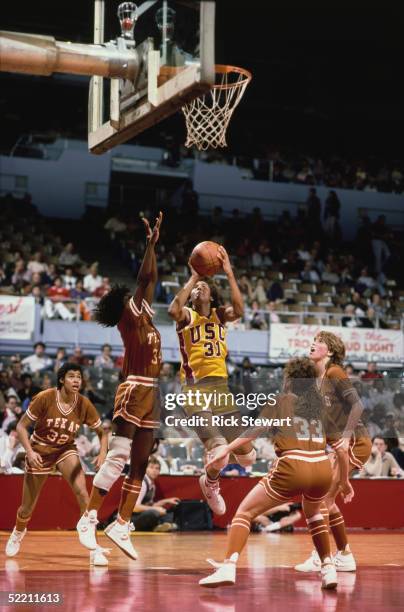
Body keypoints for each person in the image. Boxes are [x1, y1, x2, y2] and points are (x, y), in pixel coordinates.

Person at [199, 357, 352, 590]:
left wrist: (227, 450)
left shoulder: (280, 400)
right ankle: (328, 568)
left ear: (288, 380)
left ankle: (228, 566)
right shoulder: (320, 405)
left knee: (244, 512)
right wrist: (344, 481)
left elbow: (254, 430)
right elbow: (341, 449)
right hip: (322, 468)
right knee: (314, 514)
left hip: (293, 465)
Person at [76, 212, 163, 561]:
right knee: (118, 457)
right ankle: (89, 517)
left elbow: (150, 279)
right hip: (134, 388)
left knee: (140, 464)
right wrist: (150, 244)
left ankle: (121, 523)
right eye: (135, 294)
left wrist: (154, 247)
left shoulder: (144, 314)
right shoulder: (130, 317)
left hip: (153, 392)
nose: (143, 293)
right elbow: (146, 277)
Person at [168, 246, 256, 517]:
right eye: (196, 289)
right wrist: (194, 277)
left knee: (248, 456)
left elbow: (240, 309)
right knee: (221, 452)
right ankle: (210, 483)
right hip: (194, 390)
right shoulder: (187, 317)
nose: (199, 289)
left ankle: (209, 476)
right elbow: (173, 309)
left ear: (212, 294)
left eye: (204, 286)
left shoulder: (219, 316)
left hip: (221, 391)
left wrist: (228, 271)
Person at [5, 364, 108, 565]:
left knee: (83, 494)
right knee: (27, 508)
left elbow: (102, 432)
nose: (77, 380)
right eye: (72, 376)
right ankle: (18, 531)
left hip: (65, 449)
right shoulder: (45, 397)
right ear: (62, 379)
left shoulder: (84, 403)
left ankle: (93, 548)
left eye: (79, 377)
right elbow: (21, 426)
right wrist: (30, 451)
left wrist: (103, 452)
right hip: (40, 450)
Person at [294, 331, 371, 574]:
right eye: (313, 340)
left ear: (330, 351)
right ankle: (345, 555)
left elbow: (358, 405)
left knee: (322, 500)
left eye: (319, 342)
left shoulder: (335, 372)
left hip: (355, 442)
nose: (313, 344)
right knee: (325, 500)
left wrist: (347, 437)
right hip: (334, 446)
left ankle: (320, 556)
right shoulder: (315, 381)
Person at [131, 455, 180, 532]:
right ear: (145, 469)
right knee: (153, 513)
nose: (154, 470)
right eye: (151, 467)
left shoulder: (152, 485)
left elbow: (149, 505)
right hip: (131, 519)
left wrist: (166, 501)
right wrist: (155, 509)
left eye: (157, 468)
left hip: (141, 515)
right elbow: (134, 508)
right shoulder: (142, 483)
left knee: (167, 513)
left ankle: (163, 525)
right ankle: (159, 525)